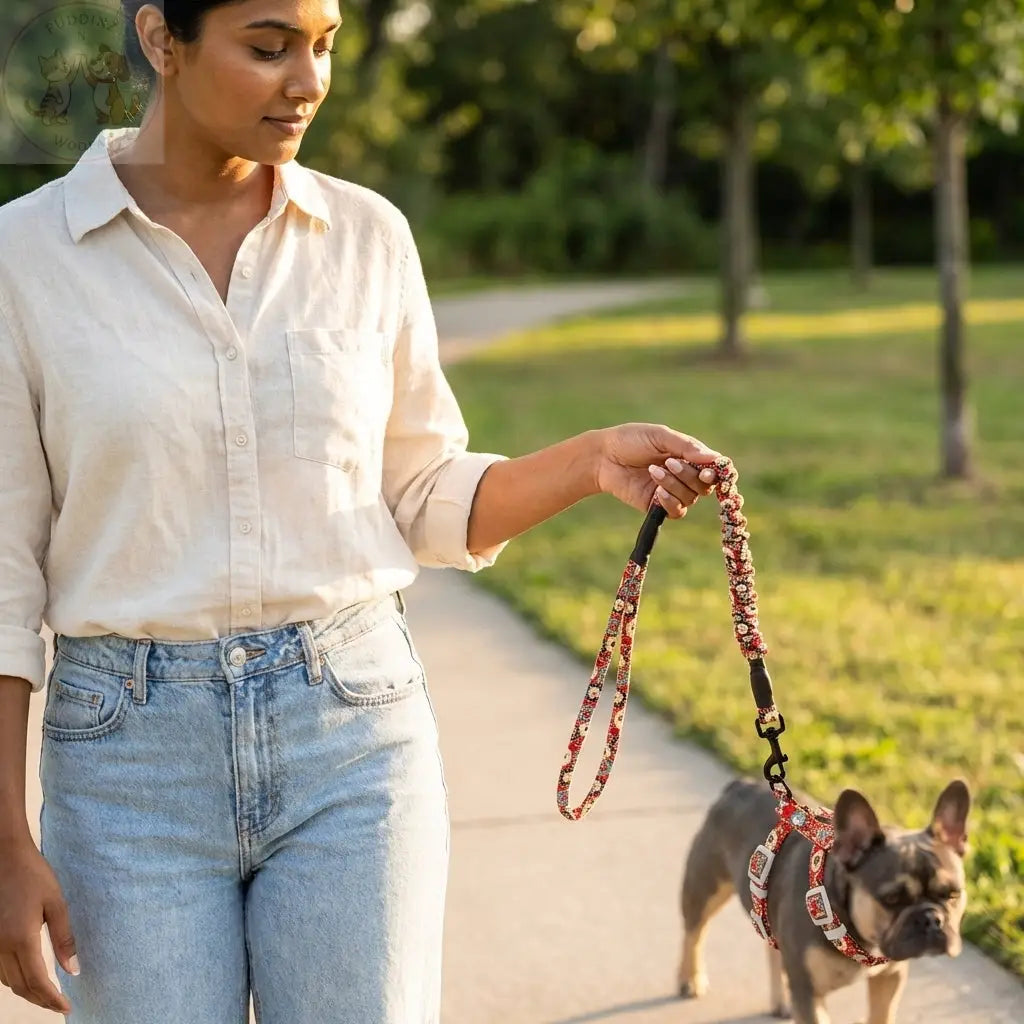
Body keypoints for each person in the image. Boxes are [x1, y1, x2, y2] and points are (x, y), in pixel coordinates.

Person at [0, 1, 720, 1020]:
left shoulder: (367, 237)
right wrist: (2, 847)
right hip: (126, 768)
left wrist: (593, 459)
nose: (308, 80)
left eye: (325, 43)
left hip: (350, 735)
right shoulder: (23, 257)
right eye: (268, 45)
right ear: (163, 40)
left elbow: (420, 496)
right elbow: (2, 574)